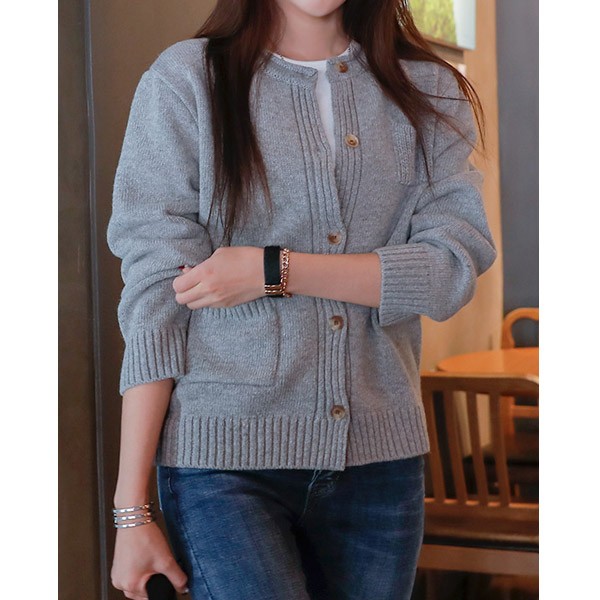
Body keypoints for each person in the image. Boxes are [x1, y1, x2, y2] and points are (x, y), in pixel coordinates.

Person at [106, 1, 497, 599]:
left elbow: (449, 270)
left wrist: (273, 270)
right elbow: (156, 301)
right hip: (223, 464)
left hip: (380, 465)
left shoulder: (427, 87)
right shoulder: (186, 80)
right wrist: (131, 510)